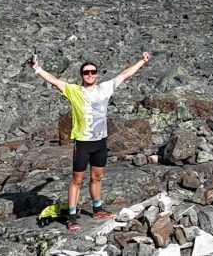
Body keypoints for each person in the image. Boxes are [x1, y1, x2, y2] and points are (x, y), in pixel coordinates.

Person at [31, 52, 152, 231]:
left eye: (93, 72)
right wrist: (37, 68)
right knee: (77, 179)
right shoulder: (74, 91)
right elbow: (54, 81)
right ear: (82, 75)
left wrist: (142, 61)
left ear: (97, 74)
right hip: (83, 143)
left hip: (100, 142)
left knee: (97, 177)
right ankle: (72, 216)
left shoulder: (105, 88)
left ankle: (97, 209)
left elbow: (125, 74)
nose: (90, 75)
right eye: (86, 72)